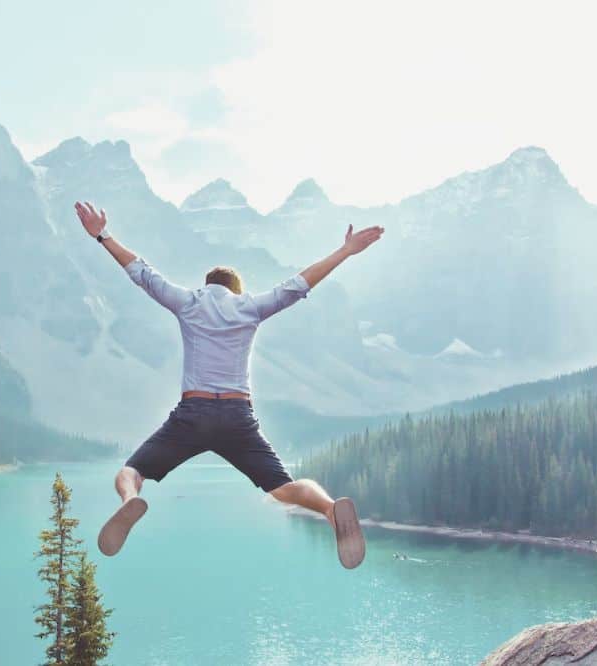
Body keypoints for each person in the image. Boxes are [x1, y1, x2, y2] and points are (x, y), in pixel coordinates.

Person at [74, 201, 383, 569]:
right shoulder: (249, 307)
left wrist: (102, 235)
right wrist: (346, 250)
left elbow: (141, 272)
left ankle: (130, 502)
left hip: (193, 413)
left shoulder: (188, 302)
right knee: (282, 488)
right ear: (236, 290)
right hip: (238, 416)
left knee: (130, 472)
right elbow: (299, 284)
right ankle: (331, 509)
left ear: (207, 286)